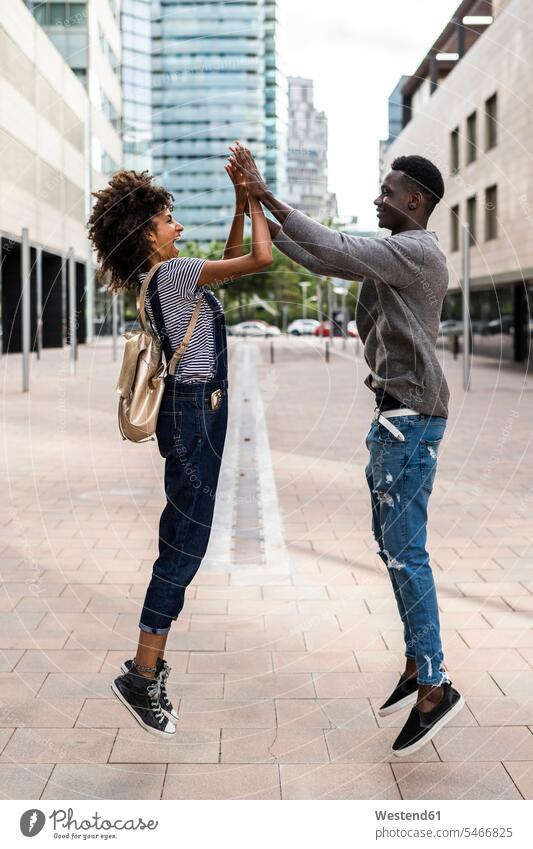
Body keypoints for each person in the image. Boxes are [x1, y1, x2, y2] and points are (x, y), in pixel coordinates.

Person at [229, 142, 464, 757]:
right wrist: (258, 213)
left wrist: (268, 195)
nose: (378, 201)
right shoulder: (394, 256)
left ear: (415, 201)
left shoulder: (416, 252)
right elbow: (320, 258)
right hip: (397, 419)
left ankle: (435, 685)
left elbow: (337, 245)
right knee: (393, 548)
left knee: (406, 553)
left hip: (410, 421)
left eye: (388, 194)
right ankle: (419, 663)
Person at [87, 161, 272, 737]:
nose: (178, 228)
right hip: (194, 416)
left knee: (185, 538)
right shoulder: (174, 275)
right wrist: (259, 198)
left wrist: (241, 205)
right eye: (168, 220)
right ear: (147, 231)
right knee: (185, 544)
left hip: (193, 415)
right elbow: (260, 260)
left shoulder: (168, 276)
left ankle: (146, 668)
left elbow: (231, 264)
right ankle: (142, 674)